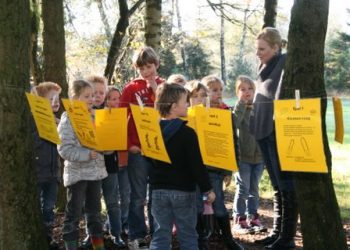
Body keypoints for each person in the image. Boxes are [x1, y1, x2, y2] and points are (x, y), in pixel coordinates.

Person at [149, 83, 215, 250]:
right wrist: (207, 189)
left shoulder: (151, 130)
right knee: (188, 234)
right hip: (183, 191)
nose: (188, 104)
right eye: (185, 101)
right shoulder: (188, 133)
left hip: (158, 191)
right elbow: (197, 165)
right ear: (173, 106)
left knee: (160, 234)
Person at [250, 27, 298, 250]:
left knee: (286, 184)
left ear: (276, 47)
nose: (258, 52)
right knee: (277, 186)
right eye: (257, 48)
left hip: (277, 131)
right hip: (262, 129)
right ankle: (277, 232)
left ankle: (286, 238)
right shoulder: (263, 66)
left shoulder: (284, 62)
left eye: (262, 49)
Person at [119, 46, 165, 249]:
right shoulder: (130, 88)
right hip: (137, 149)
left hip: (158, 149)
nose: (146, 71)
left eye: (149, 66)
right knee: (137, 195)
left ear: (156, 65)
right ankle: (137, 233)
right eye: (142, 68)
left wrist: (155, 87)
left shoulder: (166, 85)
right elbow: (120, 118)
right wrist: (129, 145)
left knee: (156, 193)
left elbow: (168, 110)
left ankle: (158, 233)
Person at [58, 80, 107, 250]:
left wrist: (108, 147)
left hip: (96, 173)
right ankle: (71, 246)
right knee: (74, 214)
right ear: (74, 98)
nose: (91, 99)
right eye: (86, 96)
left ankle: (98, 246)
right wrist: (86, 154)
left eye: (93, 95)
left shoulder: (97, 116)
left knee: (94, 213)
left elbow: (105, 146)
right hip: (77, 175)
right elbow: (64, 149)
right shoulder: (68, 119)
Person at [80, 75, 125, 248]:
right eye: (94, 92)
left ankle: (117, 234)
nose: (97, 96)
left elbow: (114, 143)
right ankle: (92, 234)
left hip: (109, 165)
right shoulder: (82, 114)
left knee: (112, 201)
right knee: (92, 203)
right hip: (90, 165)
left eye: (101, 92)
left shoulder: (111, 114)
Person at [201, 75, 244, 250]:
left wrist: (230, 169)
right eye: (213, 90)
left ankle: (228, 239)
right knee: (200, 205)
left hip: (218, 168)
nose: (218, 93)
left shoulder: (227, 113)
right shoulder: (198, 114)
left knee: (218, 204)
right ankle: (204, 239)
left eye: (220, 90)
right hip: (202, 168)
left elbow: (233, 141)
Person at [232, 76, 266, 234]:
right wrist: (241, 104)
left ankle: (253, 217)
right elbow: (235, 124)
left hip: (259, 158)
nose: (247, 92)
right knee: (243, 188)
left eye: (250, 88)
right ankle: (239, 218)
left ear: (255, 90)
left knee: (254, 189)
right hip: (243, 158)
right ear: (237, 92)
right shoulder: (239, 109)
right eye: (242, 89)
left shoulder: (261, 106)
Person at [32, 82, 62, 249]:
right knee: (38, 206)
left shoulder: (60, 121)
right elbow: (34, 143)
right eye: (51, 98)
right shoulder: (35, 121)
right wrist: (46, 129)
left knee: (49, 207)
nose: (55, 101)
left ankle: (48, 238)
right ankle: (40, 235)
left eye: (57, 97)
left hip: (53, 173)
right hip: (39, 173)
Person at [105, 86, 131, 238]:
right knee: (112, 197)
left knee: (126, 194)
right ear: (106, 101)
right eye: (112, 99)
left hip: (125, 161)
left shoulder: (126, 115)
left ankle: (125, 221)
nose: (116, 102)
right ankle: (113, 224)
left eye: (118, 98)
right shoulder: (102, 116)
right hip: (111, 164)